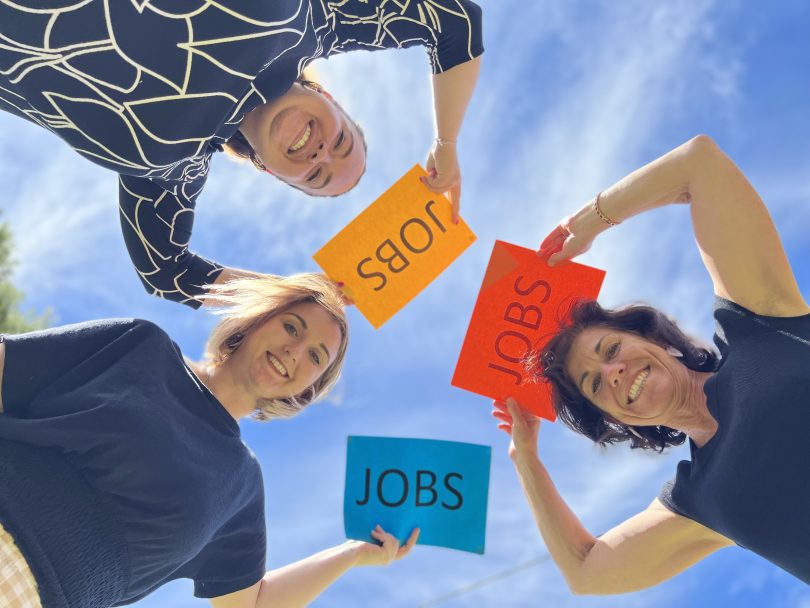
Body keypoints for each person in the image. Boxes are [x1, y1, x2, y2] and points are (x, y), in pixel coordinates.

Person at [0, 0, 483, 307]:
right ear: (330, 101)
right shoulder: (319, 18)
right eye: (341, 143)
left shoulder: (176, 169)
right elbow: (452, 21)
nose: (321, 154)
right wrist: (447, 144)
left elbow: (165, 272)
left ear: (271, 172)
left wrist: (300, 296)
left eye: (315, 176)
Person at [492, 135, 810, 592]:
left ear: (653, 338)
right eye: (595, 386)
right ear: (614, 419)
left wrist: (590, 221)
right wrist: (526, 460)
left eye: (611, 350)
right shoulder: (698, 502)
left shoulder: (755, 324)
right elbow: (584, 572)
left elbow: (698, 165)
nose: (612, 373)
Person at [0, 273, 419, 607]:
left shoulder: (242, 486)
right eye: (292, 326)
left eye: (315, 357)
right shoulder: (141, 346)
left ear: (308, 388)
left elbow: (252, 605)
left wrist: (353, 552)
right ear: (258, 320)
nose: (295, 351)